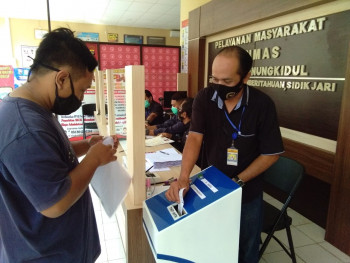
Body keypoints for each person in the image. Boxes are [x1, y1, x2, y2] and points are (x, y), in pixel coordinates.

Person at [0, 28, 118, 263]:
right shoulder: (27, 129)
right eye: (82, 89)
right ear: (61, 78)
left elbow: (47, 160)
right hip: (46, 255)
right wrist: (93, 159)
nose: (82, 98)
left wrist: (86, 145)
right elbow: (55, 203)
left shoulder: (35, 110)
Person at [165, 46, 284, 263]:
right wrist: (183, 177)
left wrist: (237, 182)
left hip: (246, 190)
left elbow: (271, 154)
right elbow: (194, 137)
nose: (219, 87)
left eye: (227, 82)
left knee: (246, 249)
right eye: (215, 79)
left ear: (245, 77)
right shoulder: (204, 98)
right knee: (215, 244)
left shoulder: (262, 105)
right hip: (211, 185)